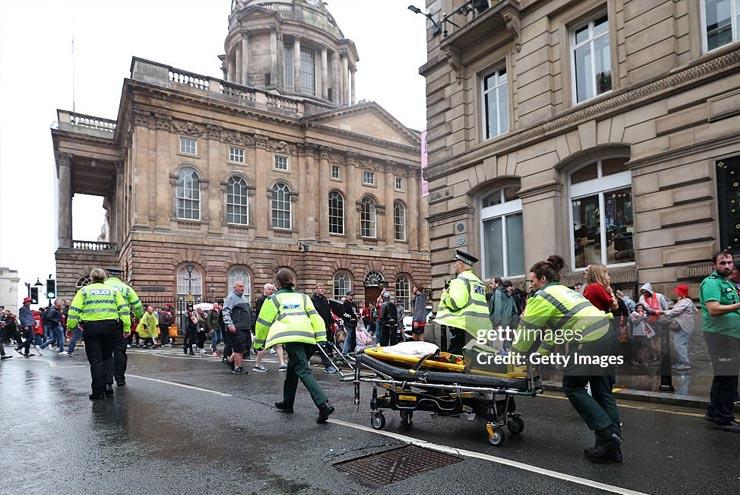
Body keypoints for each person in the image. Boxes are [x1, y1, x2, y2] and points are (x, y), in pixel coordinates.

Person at [513, 255, 623, 463]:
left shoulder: (542, 296)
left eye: (532, 280)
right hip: (607, 334)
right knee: (602, 392)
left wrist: (512, 358)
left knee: (573, 385)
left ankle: (608, 435)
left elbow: (525, 335)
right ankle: (612, 448)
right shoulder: (564, 291)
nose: (530, 285)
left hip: (589, 340)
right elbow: (554, 334)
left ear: (543, 279)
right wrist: (537, 359)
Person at [254, 269, 334, 424]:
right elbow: (315, 317)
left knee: (303, 370)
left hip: (292, 339)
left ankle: (323, 404)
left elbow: (262, 324)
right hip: (309, 338)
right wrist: (321, 338)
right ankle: (287, 403)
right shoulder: (303, 297)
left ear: (277, 283)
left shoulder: (273, 299)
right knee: (292, 370)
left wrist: (258, 343)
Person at [67, 268, 131, 400]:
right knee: (108, 356)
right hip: (111, 326)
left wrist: (70, 327)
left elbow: (74, 310)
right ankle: (108, 386)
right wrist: (126, 327)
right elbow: (123, 309)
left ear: (91, 278)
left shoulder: (84, 291)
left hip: (91, 327)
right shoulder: (113, 291)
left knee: (95, 360)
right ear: (104, 278)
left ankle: (98, 391)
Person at [699, 250, 740, 432]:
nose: (727, 266)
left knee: (724, 376)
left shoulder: (727, 282)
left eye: (729, 262)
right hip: (720, 336)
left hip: (731, 335)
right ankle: (724, 419)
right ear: (714, 265)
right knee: (727, 378)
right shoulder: (711, 283)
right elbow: (713, 309)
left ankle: (714, 411)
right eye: (722, 263)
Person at [435, 250, 489, 354]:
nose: (454, 266)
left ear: (461, 264)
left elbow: (456, 303)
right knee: (474, 358)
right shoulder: (479, 283)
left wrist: (445, 295)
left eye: (455, 263)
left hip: (463, 328)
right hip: (479, 326)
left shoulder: (460, 281)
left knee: (455, 358)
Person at [105, 267, 143, 387]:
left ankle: (107, 380)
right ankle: (120, 379)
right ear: (120, 277)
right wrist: (138, 317)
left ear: (108, 275)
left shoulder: (102, 286)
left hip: (104, 321)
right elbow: (138, 306)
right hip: (121, 322)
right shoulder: (126, 288)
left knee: (106, 352)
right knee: (120, 351)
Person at [253, 283, 286, 372]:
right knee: (263, 346)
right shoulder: (262, 300)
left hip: (273, 325)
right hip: (265, 326)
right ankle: (257, 364)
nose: (271, 291)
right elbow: (260, 314)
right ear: (265, 290)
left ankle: (282, 364)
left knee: (278, 344)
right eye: (269, 289)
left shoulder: (273, 299)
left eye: (272, 289)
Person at [222, 281, 252, 374]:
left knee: (244, 346)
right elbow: (226, 311)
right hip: (237, 327)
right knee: (239, 348)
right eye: (240, 286)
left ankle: (230, 360)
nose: (242, 288)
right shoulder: (231, 297)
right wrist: (230, 324)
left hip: (245, 327)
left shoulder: (243, 298)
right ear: (235, 287)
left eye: (243, 286)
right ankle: (238, 368)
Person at [664, 284, 695, 371]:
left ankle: (685, 363)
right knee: (680, 344)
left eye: (678, 291)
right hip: (683, 325)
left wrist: (664, 312)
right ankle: (681, 362)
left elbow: (676, 311)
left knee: (679, 345)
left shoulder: (685, 301)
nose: (676, 293)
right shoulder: (685, 301)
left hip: (683, 326)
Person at [310, 283, 338, 374]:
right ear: (316, 289)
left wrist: (334, 322)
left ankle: (303, 363)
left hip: (325, 326)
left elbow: (328, 313)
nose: (322, 289)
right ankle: (328, 366)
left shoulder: (325, 299)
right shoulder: (312, 300)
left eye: (323, 288)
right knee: (321, 346)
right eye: (320, 288)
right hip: (316, 327)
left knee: (315, 347)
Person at [341, 291, 359, 355]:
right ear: (347, 296)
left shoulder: (353, 304)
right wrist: (352, 316)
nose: (352, 296)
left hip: (354, 323)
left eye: (353, 295)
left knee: (353, 337)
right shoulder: (345, 304)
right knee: (349, 337)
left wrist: (358, 315)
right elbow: (344, 314)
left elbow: (356, 312)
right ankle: (344, 352)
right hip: (348, 323)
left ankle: (351, 350)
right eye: (351, 295)